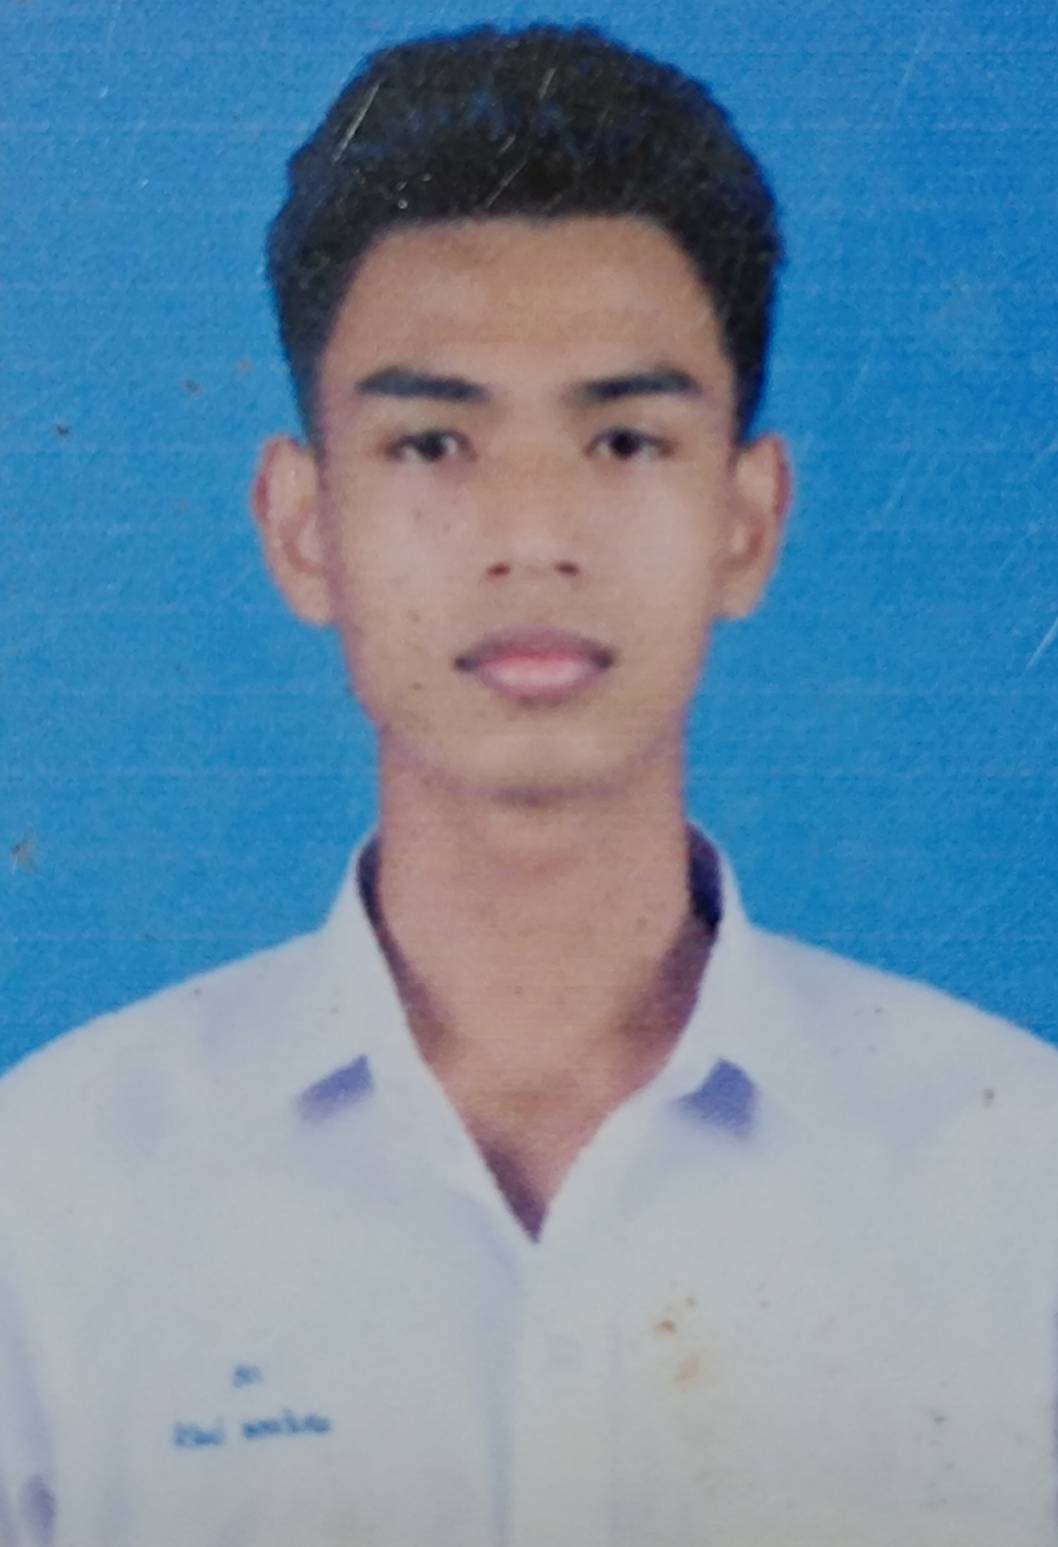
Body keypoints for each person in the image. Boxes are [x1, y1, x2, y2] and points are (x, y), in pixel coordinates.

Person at [1, 21, 1056, 1547]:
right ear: (302, 527)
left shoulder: (1013, 1182)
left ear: (747, 520)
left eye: (623, 438)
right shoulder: (49, 1201)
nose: (533, 537)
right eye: (432, 442)